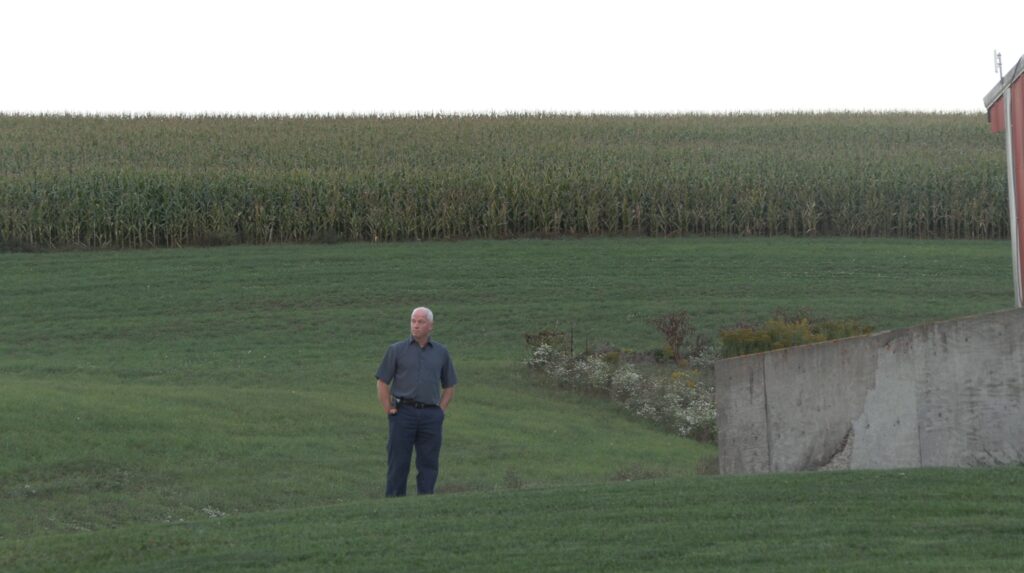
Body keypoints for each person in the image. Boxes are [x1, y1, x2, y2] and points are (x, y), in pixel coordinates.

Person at [375, 307, 457, 497]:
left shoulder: (441, 352)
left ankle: (426, 500)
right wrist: (388, 408)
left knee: (429, 462)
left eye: (421, 322)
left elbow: (449, 386)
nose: (416, 325)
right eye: (413, 321)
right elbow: (382, 381)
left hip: (430, 415)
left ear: (430, 326)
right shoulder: (396, 350)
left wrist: (440, 411)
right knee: (398, 462)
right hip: (403, 412)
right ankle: (395, 502)